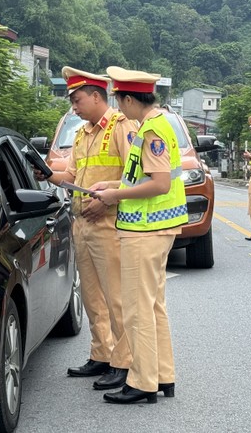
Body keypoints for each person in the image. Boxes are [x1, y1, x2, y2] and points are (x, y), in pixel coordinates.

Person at [89, 66, 186, 405]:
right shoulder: (154, 126)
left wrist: (115, 197)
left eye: (119, 101)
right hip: (151, 230)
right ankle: (161, 374)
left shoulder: (152, 131)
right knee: (154, 305)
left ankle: (143, 382)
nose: (118, 109)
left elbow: (159, 183)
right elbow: (141, 178)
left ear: (129, 99)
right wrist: (112, 185)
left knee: (137, 309)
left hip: (146, 231)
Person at [36, 66, 137, 390]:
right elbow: (72, 178)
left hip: (110, 226)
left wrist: (109, 200)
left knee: (115, 298)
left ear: (96, 96)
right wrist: (47, 174)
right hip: (83, 225)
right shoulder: (81, 135)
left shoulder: (123, 128)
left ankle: (123, 363)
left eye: (78, 100)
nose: (74, 108)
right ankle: (102, 354)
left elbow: (137, 178)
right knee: (92, 297)